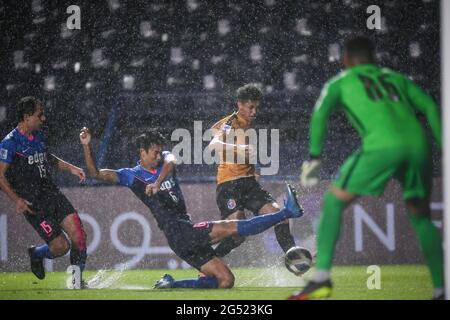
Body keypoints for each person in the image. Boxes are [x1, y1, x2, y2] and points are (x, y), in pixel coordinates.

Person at [288, 36, 444, 300]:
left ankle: (322, 278)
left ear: (345, 59)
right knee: (420, 216)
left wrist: (314, 157)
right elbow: (430, 106)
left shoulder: (341, 82)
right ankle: (442, 289)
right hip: (418, 145)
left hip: (381, 145)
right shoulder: (395, 78)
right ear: (374, 58)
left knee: (334, 202)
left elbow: (320, 112)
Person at [79, 127, 303, 289]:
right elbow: (95, 174)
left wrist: (157, 183)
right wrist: (87, 145)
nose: (159, 155)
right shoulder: (131, 176)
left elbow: (171, 160)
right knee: (235, 228)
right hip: (178, 232)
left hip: (182, 234)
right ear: (142, 152)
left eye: (160, 151)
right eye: (154, 152)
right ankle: (286, 212)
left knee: (226, 281)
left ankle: (172, 284)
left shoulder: (165, 160)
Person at [0, 96, 88, 285]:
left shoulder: (38, 136)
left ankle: (77, 282)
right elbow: (0, 176)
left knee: (79, 236)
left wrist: (71, 167)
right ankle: (37, 253)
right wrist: (16, 200)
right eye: (40, 115)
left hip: (52, 194)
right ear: (27, 116)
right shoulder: (10, 143)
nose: (43, 118)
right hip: (34, 204)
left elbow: (48, 158)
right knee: (61, 247)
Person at [208, 83, 299, 263]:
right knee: (236, 235)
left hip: (248, 184)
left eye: (257, 107)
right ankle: (208, 260)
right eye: (250, 107)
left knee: (279, 216)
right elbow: (213, 145)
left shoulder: (249, 125)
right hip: (229, 184)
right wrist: (239, 148)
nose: (254, 111)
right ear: (239, 104)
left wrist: (253, 170)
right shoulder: (229, 123)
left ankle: (295, 258)